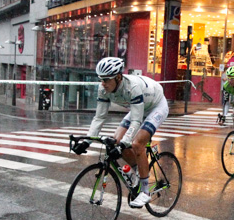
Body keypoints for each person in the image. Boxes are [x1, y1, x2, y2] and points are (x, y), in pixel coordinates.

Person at [72, 57, 168, 208]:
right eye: (100, 79)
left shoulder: (133, 87)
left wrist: (124, 144)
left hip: (156, 106)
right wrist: (87, 142)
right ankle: (138, 171)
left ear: (118, 77)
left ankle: (145, 192)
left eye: (106, 79)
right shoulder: (103, 88)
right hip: (138, 108)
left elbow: (136, 121)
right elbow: (99, 117)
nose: (102, 83)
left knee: (137, 144)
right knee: (115, 141)